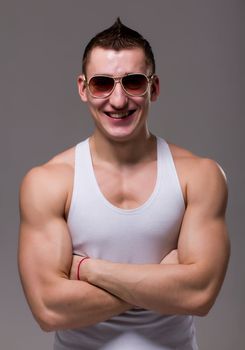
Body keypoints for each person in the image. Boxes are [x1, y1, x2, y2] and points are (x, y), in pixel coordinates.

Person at [18, 18, 230, 350]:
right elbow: (49, 309)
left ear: (153, 87)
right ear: (83, 88)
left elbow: (199, 295)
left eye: (132, 82)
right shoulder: (48, 182)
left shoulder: (199, 176)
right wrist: (162, 282)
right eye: (102, 84)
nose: (118, 101)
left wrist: (89, 270)